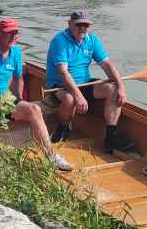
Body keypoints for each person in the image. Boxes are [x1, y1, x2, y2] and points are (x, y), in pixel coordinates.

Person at [0, 18, 73, 172]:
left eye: (15, 33)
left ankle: (51, 156)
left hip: (3, 100)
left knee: (34, 109)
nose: (13, 37)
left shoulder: (16, 52)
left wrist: (20, 101)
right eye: (8, 33)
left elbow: (19, 78)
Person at [45, 11, 136, 155]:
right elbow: (63, 72)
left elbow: (107, 65)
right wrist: (78, 96)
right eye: (78, 25)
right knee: (69, 99)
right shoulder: (60, 41)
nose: (82, 28)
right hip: (60, 85)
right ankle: (62, 129)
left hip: (84, 83)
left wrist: (121, 86)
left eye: (85, 25)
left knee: (111, 89)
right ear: (69, 24)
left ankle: (110, 137)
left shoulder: (92, 40)